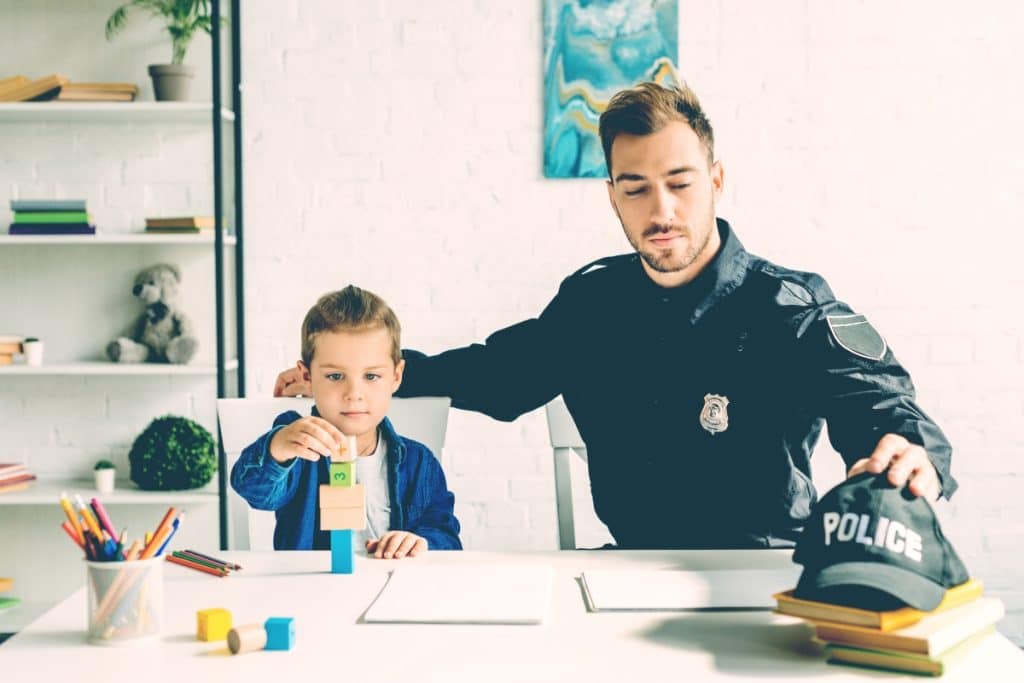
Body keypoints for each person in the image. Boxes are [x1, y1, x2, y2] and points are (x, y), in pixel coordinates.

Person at [275, 82, 955, 550]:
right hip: (624, 568)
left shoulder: (790, 306)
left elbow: (877, 398)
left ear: (716, 180)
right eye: (636, 188)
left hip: (764, 567)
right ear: (612, 196)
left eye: (680, 183)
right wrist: (369, 378)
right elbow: (497, 373)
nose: (660, 210)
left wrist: (908, 445)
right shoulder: (592, 303)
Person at [236, 285, 461, 557]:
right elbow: (256, 491)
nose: (354, 394)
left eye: (371, 377)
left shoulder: (419, 462)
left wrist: (422, 543)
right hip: (312, 592)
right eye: (335, 377)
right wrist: (278, 448)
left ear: (396, 376)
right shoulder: (298, 449)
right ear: (307, 377)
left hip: (397, 591)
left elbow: (447, 537)